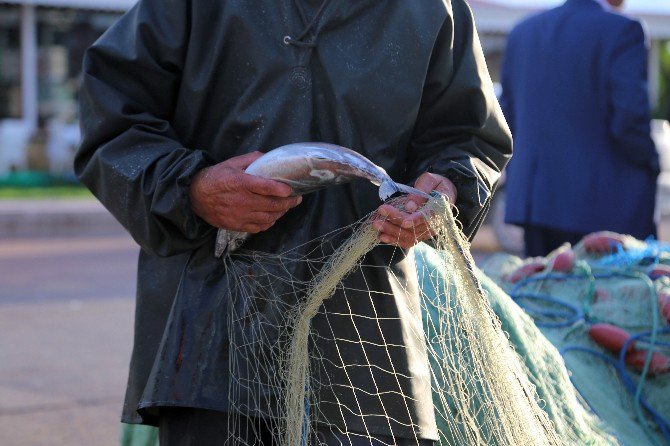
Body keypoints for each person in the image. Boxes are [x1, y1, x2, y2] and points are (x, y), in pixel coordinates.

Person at [75, 0, 511, 444]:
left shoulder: (434, 9)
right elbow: (113, 119)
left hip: (367, 345)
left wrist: (443, 195)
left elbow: (470, 140)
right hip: (211, 345)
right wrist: (193, 189)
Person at [500, 0, 660, 258]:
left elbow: (505, 119)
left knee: (542, 292)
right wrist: (651, 163)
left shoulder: (523, 31)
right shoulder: (623, 29)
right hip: (605, 205)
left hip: (536, 203)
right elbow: (629, 119)